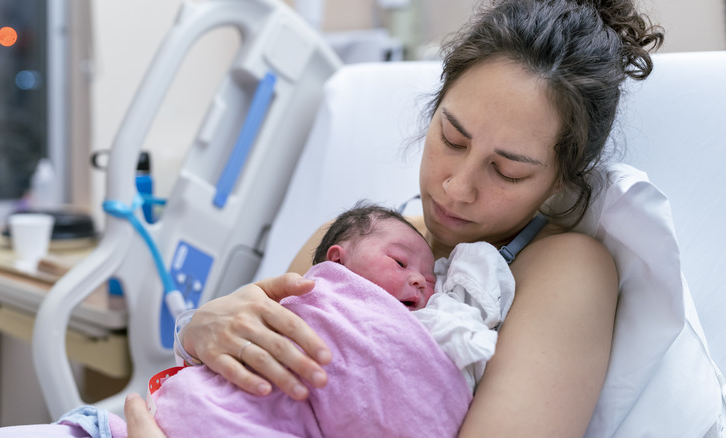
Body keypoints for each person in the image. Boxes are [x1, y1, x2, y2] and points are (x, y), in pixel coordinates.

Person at [175, 0, 664, 436]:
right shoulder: (345, 240)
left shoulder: (565, 269)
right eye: (452, 139)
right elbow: (253, 388)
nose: (457, 188)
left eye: (507, 170)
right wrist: (196, 331)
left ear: (561, 179)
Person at [117, 202, 513, 437]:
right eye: (452, 139)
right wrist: (194, 329)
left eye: (429, 282)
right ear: (337, 261)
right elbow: (250, 341)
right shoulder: (324, 281)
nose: (419, 281)